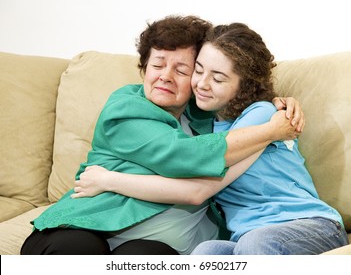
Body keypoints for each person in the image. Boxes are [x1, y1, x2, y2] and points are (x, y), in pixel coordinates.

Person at [21, 16, 302, 255]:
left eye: (182, 70)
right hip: (88, 227)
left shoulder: (205, 114)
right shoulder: (125, 108)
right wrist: (272, 130)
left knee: (148, 256)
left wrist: (277, 103)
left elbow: (238, 100)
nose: (165, 76)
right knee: (77, 251)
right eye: (157, 65)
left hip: (155, 246)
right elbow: (185, 157)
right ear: (144, 68)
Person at [72, 22, 349, 255]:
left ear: (244, 85)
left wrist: (108, 180)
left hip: (309, 225)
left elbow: (201, 188)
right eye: (198, 70)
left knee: (255, 243)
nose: (202, 84)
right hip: (246, 237)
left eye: (217, 78)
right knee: (205, 253)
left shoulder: (263, 115)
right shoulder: (205, 124)